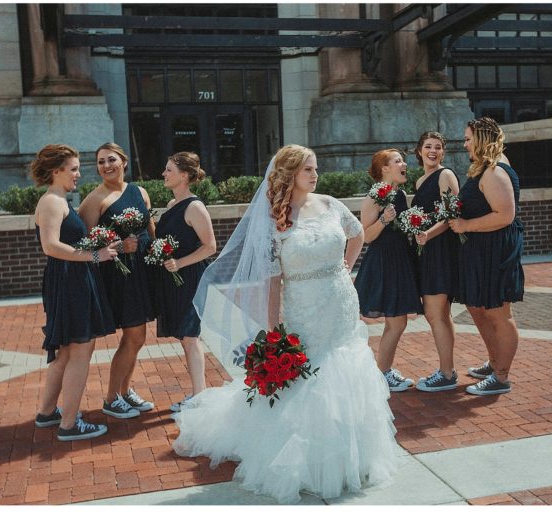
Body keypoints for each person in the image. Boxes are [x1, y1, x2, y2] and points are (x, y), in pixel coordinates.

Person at [173, 145, 403, 504]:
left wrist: (346, 265)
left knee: (349, 370)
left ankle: (353, 458)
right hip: (304, 307)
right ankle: (311, 464)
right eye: (307, 169)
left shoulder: (329, 204)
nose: (315, 175)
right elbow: (272, 281)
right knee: (311, 378)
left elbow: (357, 234)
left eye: (316, 168)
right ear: (290, 174)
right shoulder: (275, 216)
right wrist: (272, 330)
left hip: (340, 302)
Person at [31, 143, 118, 441]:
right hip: (69, 281)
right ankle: (69, 424)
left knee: (67, 351)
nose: (79, 174)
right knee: (81, 350)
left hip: (68, 278)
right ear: (56, 171)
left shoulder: (58, 200)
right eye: (74, 169)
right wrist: (95, 256)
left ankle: (47, 413)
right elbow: (51, 246)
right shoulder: (53, 202)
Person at [78, 142, 157, 421]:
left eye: (111, 160)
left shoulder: (140, 192)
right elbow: (87, 248)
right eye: (100, 162)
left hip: (143, 272)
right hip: (119, 275)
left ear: (123, 162)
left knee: (138, 337)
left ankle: (124, 391)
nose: (106, 166)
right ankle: (111, 398)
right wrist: (121, 248)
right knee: (134, 335)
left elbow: (150, 230)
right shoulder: (94, 200)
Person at [450, 117, 524, 396]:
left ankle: (502, 377)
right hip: (481, 249)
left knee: (498, 312)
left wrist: (466, 225)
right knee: (478, 307)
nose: (465, 143)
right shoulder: (485, 168)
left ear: (481, 139)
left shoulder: (494, 172)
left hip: (495, 250)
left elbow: (505, 215)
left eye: (468, 138)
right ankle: (495, 363)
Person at [353, 149, 422, 392]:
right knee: (397, 322)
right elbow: (366, 236)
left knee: (398, 321)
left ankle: (384, 371)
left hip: (401, 261)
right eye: (398, 161)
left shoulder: (400, 194)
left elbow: (401, 229)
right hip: (384, 264)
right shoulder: (375, 196)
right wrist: (384, 219)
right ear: (384, 168)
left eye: (403, 161)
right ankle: (382, 374)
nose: (404, 164)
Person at [153, 152, 217, 410]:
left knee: (191, 337)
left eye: (169, 170)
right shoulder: (171, 206)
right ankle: (198, 394)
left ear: (184, 175)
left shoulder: (194, 207)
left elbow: (210, 247)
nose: (164, 174)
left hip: (192, 278)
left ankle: (199, 396)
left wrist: (180, 263)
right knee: (186, 337)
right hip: (174, 280)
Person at [411, 131, 461, 392]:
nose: (433, 151)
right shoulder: (420, 181)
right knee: (440, 314)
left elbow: (452, 213)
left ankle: (446, 373)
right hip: (427, 251)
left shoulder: (445, 175)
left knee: (434, 314)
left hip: (441, 250)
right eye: (428, 146)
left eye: (438, 147)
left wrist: (427, 234)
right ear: (419, 151)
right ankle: (448, 370)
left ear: (443, 152)